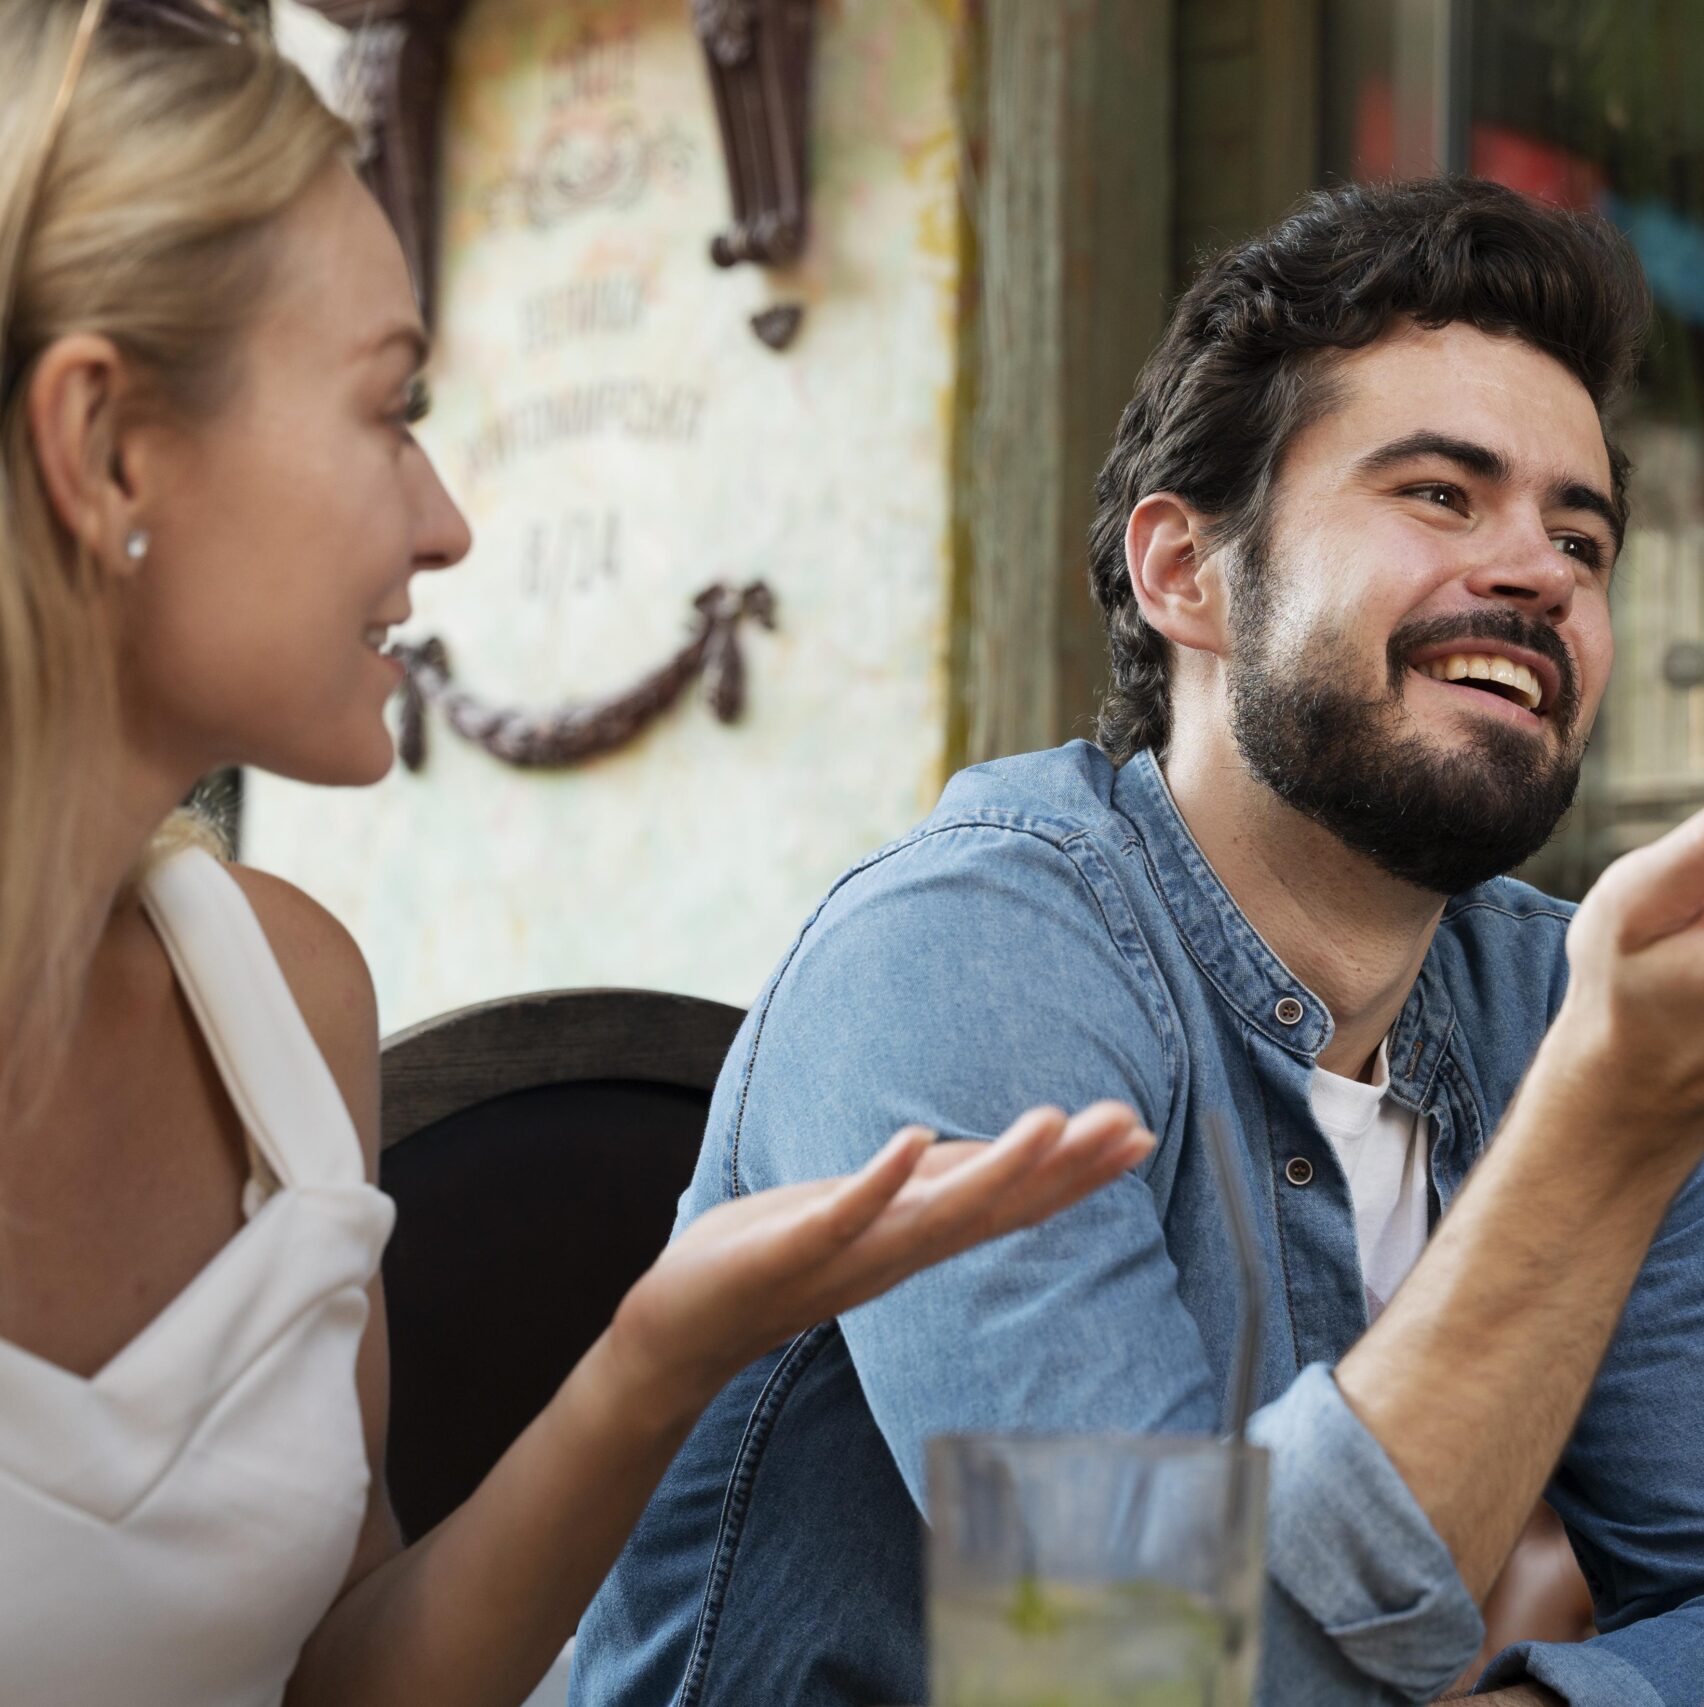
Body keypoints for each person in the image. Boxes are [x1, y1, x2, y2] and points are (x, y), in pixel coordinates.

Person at [577, 175, 1704, 1707]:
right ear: (1186, 572)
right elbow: (1124, 1666)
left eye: (1583, 541)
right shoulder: (967, 951)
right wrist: (1606, 1120)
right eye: (1441, 494)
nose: (1540, 570)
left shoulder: (1546, 998)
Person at [0, 5, 1148, 1705]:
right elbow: (1145, 1637)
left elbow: (335, 1687)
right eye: (391, 410)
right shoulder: (975, 934)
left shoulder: (283, 999)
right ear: (104, 449)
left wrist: (663, 1348)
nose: (445, 518)